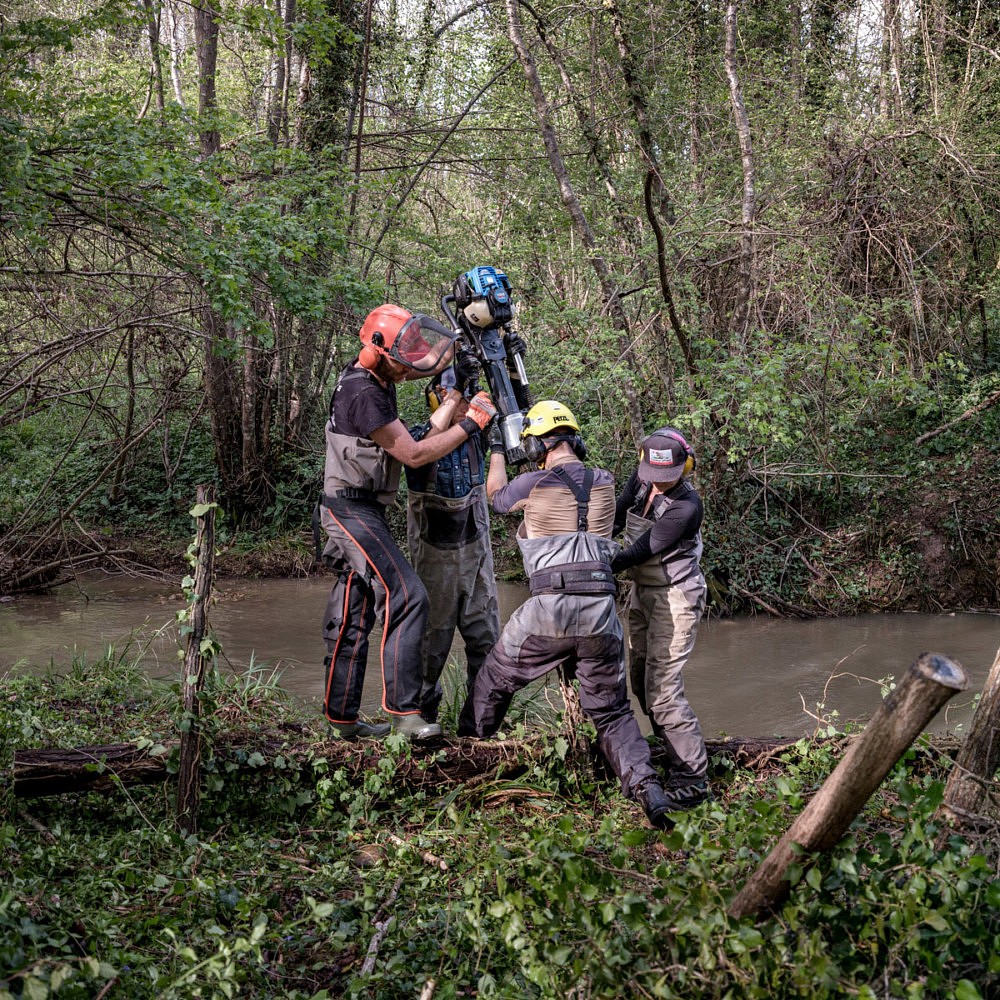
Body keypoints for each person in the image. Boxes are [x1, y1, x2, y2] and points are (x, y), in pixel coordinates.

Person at [458, 400, 673, 828]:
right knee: (612, 713)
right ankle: (650, 792)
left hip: (548, 610)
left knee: (494, 681)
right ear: (574, 438)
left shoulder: (532, 483)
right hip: (600, 611)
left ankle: (465, 756)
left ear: (539, 445)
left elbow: (495, 497)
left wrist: (497, 446)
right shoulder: (606, 481)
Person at [319, 304, 496, 741]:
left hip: (362, 506)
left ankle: (342, 720)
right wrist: (472, 425)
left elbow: (425, 366)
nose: (409, 372)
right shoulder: (364, 393)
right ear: (377, 351)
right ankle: (404, 715)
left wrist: (457, 348)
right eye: (402, 362)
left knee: (352, 614)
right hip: (350, 510)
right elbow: (414, 454)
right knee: (408, 595)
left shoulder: (377, 373)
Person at [612, 427, 711, 810]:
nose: (658, 484)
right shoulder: (641, 479)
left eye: (667, 477)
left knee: (663, 689)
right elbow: (620, 514)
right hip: (643, 592)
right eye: (652, 476)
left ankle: (692, 780)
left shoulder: (688, 506)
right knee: (638, 680)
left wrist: (599, 563)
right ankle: (671, 753)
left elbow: (641, 548)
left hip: (676, 597)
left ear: (684, 467)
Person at [404, 367, 502, 723]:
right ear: (438, 399)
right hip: (435, 569)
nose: (463, 406)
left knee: (488, 643)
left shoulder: (480, 438)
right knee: (429, 651)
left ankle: (479, 726)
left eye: (466, 395)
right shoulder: (418, 439)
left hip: (477, 561)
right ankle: (422, 726)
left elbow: (496, 494)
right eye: (453, 397)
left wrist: (493, 437)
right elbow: (417, 452)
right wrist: (456, 402)